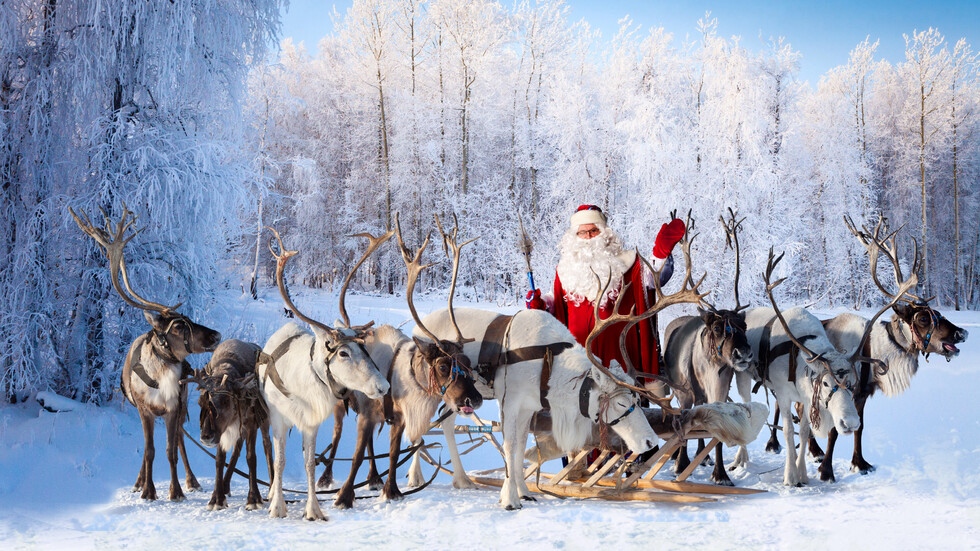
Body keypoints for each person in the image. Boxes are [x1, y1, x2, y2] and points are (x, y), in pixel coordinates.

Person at [525, 204, 685, 389]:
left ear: (604, 232)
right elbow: (557, 302)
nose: (588, 237)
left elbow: (653, 278)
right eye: (582, 232)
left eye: (593, 231)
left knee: (622, 401)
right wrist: (540, 304)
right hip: (579, 358)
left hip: (622, 356)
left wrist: (661, 253)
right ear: (574, 236)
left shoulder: (628, 263)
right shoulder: (565, 269)